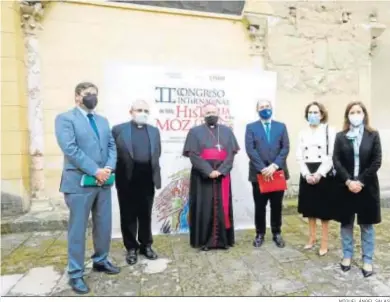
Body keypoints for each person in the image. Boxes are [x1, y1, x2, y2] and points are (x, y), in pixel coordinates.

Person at [55, 82, 120, 294]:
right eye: (88, 94)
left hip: (103, 182)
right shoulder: (65, 119)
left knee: (103, 225)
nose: (92, 97)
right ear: (77, 97)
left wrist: (108, 168)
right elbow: (70, 149)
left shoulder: (102, 120)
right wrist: (95, 170)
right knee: (78, 229)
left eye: (95, 94)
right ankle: (75, 273)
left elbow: (111, 145)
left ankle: (100, 260)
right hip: (78, 184)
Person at [333, 101, 382, 278]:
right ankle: (347, 256)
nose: (356, 114)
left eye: (358, 111)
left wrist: (360, 182)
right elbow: (336, 161)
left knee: (366, 225)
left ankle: (367, 259)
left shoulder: (373, 135)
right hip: (346, 187)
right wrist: (348, 181)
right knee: (346, 223)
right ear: (348, 116)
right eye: (352, 112)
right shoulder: (341, 136)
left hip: (366, 187)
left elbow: (376, 161)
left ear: (364, 114)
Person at [183, 103, 239, 251]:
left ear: (218, 113)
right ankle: (204, 241)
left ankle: (223, 241)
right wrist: (208, 171)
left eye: (213, 112)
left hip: (222, 176)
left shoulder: (227, 131)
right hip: (202, 178)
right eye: (208, 112)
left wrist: (221, 170)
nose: (211, 114)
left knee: (222, 207)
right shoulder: (195, 132)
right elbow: (193, 155)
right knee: (204, 207)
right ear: (203, 114)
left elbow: (231, 154)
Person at [112, 99, 161, 265]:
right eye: (139, 110)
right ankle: (131, 248)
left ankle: (146, 245)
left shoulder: (154, 131)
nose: (143, 113)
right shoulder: (118, 130)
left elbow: (156, 153)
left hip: (147, 178)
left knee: (145, 214)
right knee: (128, 215)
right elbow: (113, 153)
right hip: (126, 179)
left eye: (146, 111)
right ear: (131, 112)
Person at [245, 99, 290, 248]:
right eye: (262, 107)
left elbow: (285, 148)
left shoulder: (281, 126)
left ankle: (277, 232)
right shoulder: (251, 127)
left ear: (272, 108)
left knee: (276, 206)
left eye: (267, 106)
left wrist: (274, 166)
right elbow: (250, 150)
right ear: (257, 110)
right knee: (260, 206)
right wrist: (263, 169)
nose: (265, 109)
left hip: (277, 173)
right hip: (259, 174)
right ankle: (260, 233)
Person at [296, 101, 336, 256]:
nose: (313, 115)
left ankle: (324, 242)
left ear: (322, 114)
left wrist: (319, 173)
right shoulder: (302, 132)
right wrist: (306, 174)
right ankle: (311, 238)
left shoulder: (329, 131)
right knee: (310, 208)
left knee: (324, 210)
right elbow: (299, 156)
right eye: (310, 112)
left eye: (316, 112)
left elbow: (331, 155)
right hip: (307, 170)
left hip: (323, 170)